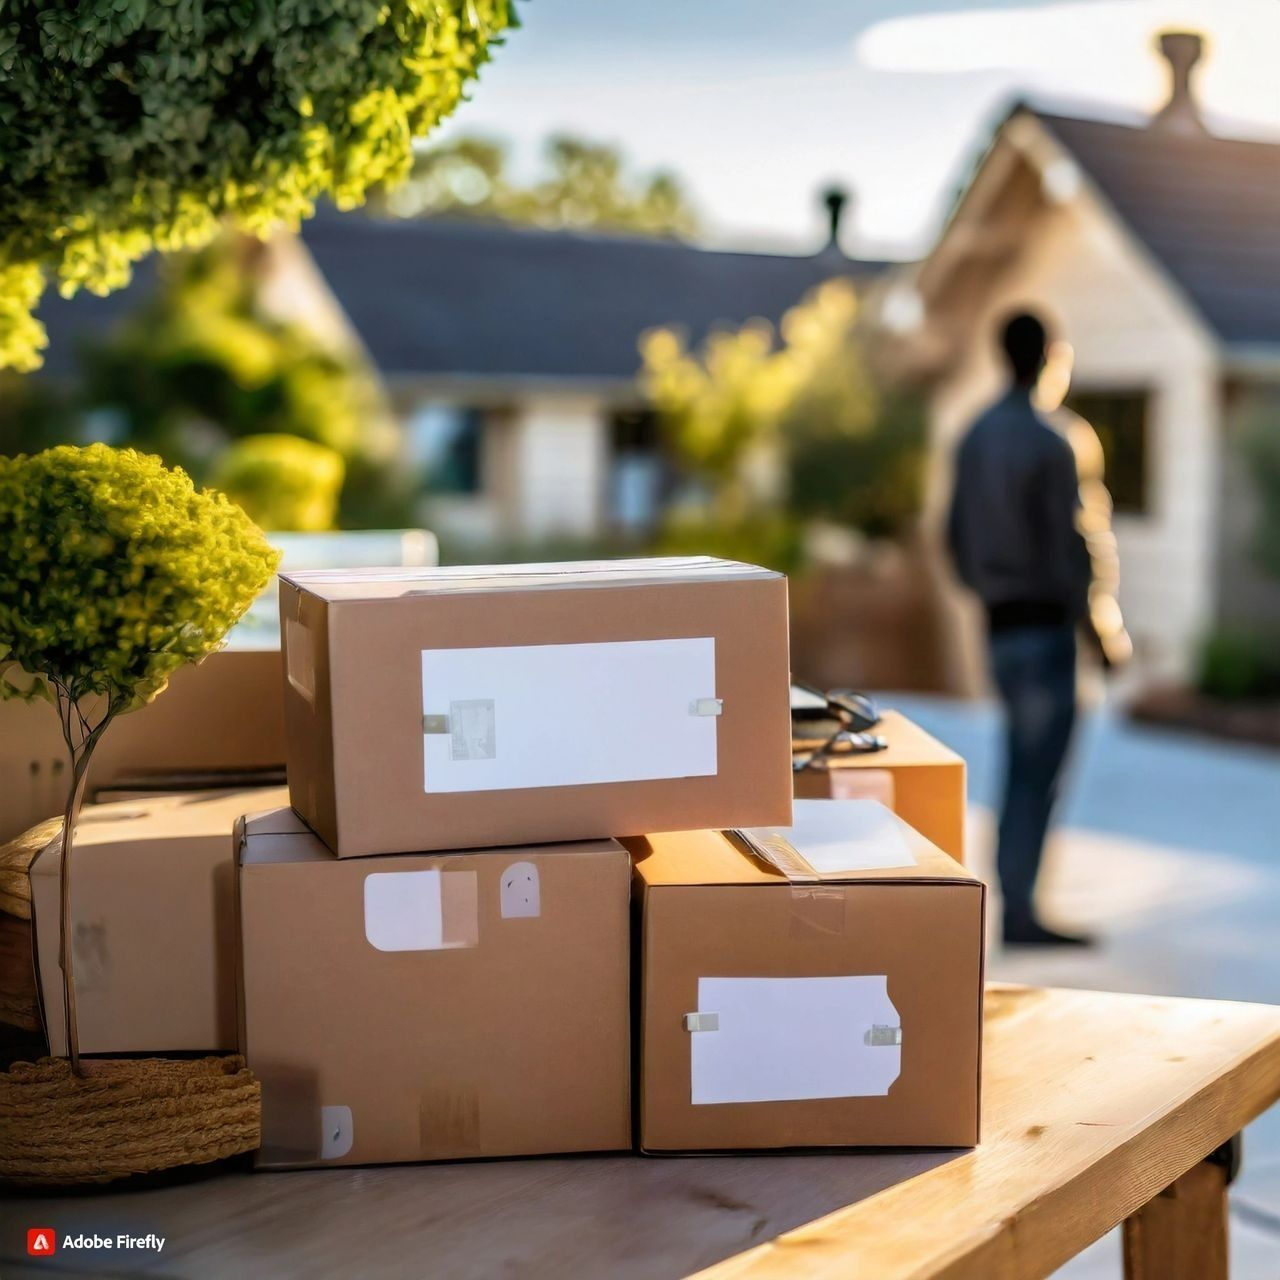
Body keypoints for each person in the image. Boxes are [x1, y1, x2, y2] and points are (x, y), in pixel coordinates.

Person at [946, 311, 1125, 948]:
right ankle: (1020, 913)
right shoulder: (1056, 440)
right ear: (1052, 357)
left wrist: (990, 592)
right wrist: (1103, 631)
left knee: (1019, 766)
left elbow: (954, 539)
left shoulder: (974, 436)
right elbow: (1076, 546)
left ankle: (1016, 904)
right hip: (1048, 631)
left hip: (1000, 627)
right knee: (1034, 772)